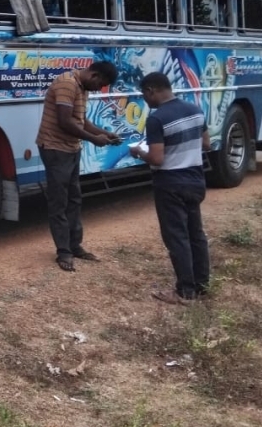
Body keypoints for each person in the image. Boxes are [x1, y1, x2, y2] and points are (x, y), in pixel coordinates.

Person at [129, 72, 212, 305]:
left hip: (171, 183)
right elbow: (206, 144)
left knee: (177, 237)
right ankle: (202, 284)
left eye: (144, 95)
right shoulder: (195, 109)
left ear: (151, 91)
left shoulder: (157, 119)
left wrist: (138, 152)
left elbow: (157, 158)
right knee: (196, 234)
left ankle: (185, 291)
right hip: (196, 179)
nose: (145, 100)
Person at [35, 60, 121, 272]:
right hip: (55, 149)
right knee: (59, 200)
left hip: (71, 149)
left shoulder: (82, 87)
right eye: (101, 84)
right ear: (94, 75)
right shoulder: (67, 84)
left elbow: (81, 122)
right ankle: (63, 251)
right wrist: (93, 139)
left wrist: (104, 133)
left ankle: (75, 246)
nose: (100, 89)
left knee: (74, 198)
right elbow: (65, 121)